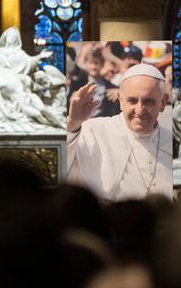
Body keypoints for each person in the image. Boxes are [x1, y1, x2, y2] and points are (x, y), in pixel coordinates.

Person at [67, 64, 173, 202]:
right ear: (120, 100)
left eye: (148, 101)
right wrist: (72, 123)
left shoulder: (172, 139)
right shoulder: (92, 131)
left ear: (163, 102)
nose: (140, 110)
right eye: (132, 100)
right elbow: (57, 170)